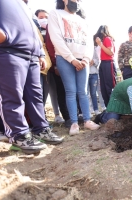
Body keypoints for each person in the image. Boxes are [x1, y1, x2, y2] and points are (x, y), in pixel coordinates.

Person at [0, 0, 63, 153]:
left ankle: (41, 129)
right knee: (12, 97)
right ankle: (19, 135)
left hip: (31, 55)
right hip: (7, 51)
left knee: (36, 97)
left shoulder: (23, 5)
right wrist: (3, 36)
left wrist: (39, 52)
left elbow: (33, 29)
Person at [48, 0, 100, 135]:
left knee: (83, 92)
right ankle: (74, 123)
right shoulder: (55, 14)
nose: (75, 1)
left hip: (83, 60)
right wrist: (71, 59)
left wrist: (86, 59)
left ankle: (87, 120)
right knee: (70, 91)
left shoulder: (82, 20)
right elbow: (56, 38)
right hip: (65, 59)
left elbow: (89, 42)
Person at [94, 25, 116, 107]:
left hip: (108, 63)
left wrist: (100, 44)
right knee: (103, 88)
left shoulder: (107, 39)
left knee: (109, 87)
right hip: (103, 63)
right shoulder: (103, 41)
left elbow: (110, 52)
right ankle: (108, 107)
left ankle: (113, 107)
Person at [88, 42, 101, 115]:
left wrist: (94, 61)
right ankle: (88, 110)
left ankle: (96, 109)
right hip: (85, 74)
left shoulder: (93, 49)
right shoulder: (82, 49)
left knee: (93, 93)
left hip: (94, 73)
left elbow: (97, 60)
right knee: (85, 94)